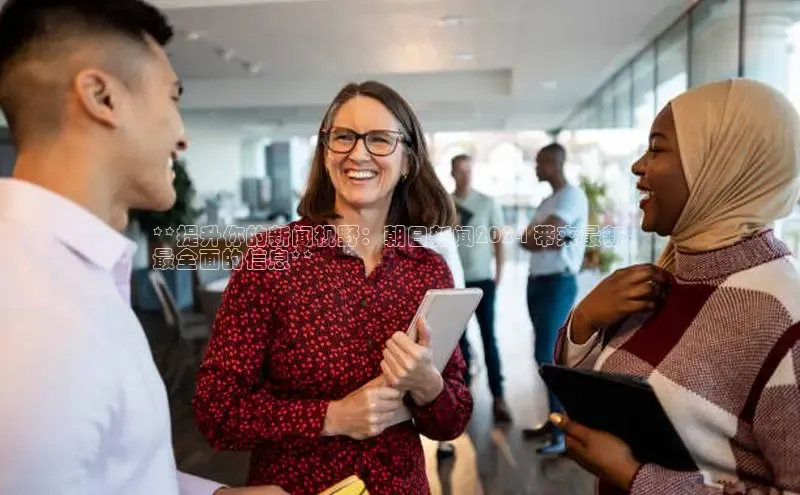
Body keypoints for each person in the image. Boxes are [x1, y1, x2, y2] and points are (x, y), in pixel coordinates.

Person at [0, 1, 285, 494]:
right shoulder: (32, 319)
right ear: (101, 97)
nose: (182, 137)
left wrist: (215, 493)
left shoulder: (77, 277)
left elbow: (113, 473)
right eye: (172, 98)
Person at [192, 80, 473, 495]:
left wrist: (427, 384)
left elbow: (453, 419)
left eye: (379, 139)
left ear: (409, 160)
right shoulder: (272, 258)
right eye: (343, 137)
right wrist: (333, 416)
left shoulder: (427, 270)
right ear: (326, 154)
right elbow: (217, 410)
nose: (358, 153)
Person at [549, 78, 800, 494]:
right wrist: (586, 320)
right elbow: (603, 390)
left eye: (658, 148)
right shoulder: (665, 277)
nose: (637, 165)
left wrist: (636, 478)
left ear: (721, 164)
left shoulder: (784, 318)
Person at [519, 143, 588, 454]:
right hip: (537, 283)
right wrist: (537, 235)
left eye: (539, 162)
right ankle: (554, 419)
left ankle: (564, 433)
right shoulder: (549, 200)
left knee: (549, 355)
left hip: (556, 283)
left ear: (553, 163)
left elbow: (546, 237)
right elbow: (527, 239)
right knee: (542, 354)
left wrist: (538, 235)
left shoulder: (571, 196)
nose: (535, 168)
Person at [451, 154, 512, 423]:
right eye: (460, 170)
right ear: (452, 173)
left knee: (489, 338)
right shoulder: (446, 204)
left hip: (482, 281)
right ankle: (463, 400)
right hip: (454, 284)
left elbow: (499, 241)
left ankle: (499, 398)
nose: (465, 174)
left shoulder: (487, 203)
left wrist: (499, 274)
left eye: (469, 169)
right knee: (459, 343)